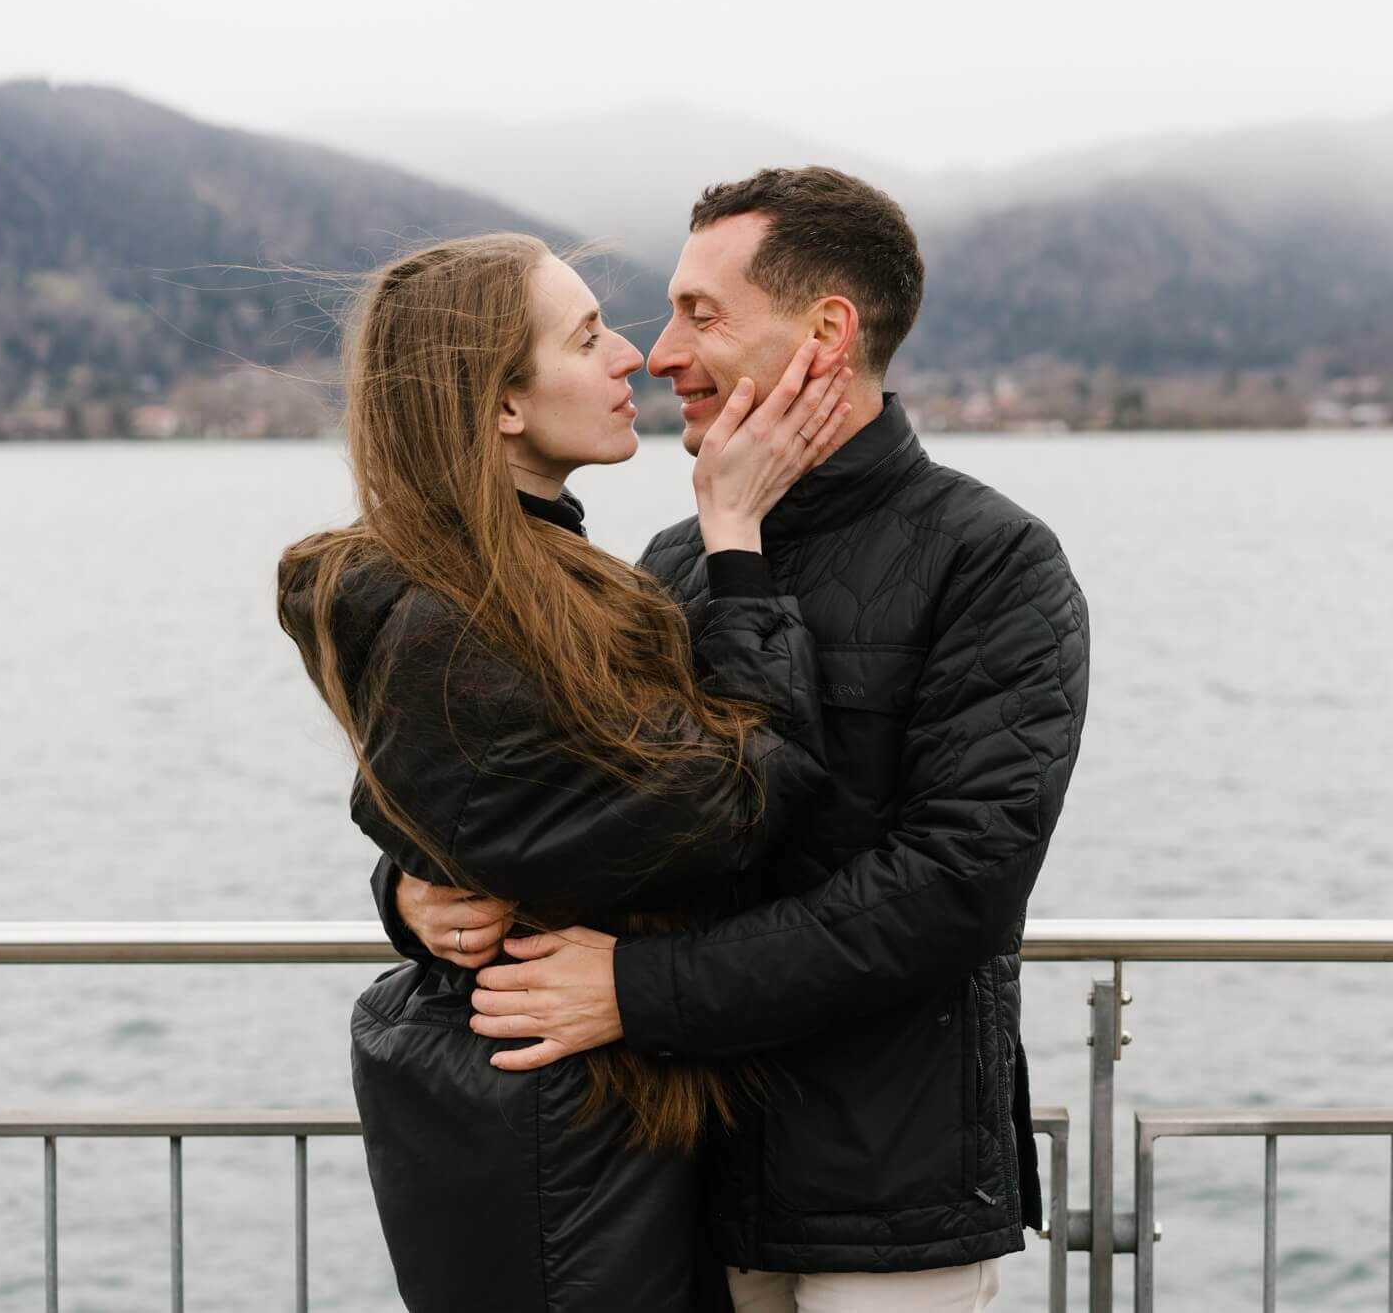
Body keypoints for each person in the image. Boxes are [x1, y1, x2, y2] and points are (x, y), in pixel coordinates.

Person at [385, 169, 1090, 1312]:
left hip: (882, 1195)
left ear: (826, 330)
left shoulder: (992, 562)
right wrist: (411, 889)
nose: (658, 352)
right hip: (676, 1177)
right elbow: (569, 807)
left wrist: (636, 989)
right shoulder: (671, 562)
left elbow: (954, 885)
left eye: (699, 314)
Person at [277, 231, 859, 1312]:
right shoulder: (459, 617)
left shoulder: (502, 585)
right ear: (500, 403)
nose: (632, 355)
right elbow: (743, 799)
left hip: (559, 1115)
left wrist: (412, 892)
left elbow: (501, 819)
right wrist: (733, 538)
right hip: (554, 1133)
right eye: (587, 336)